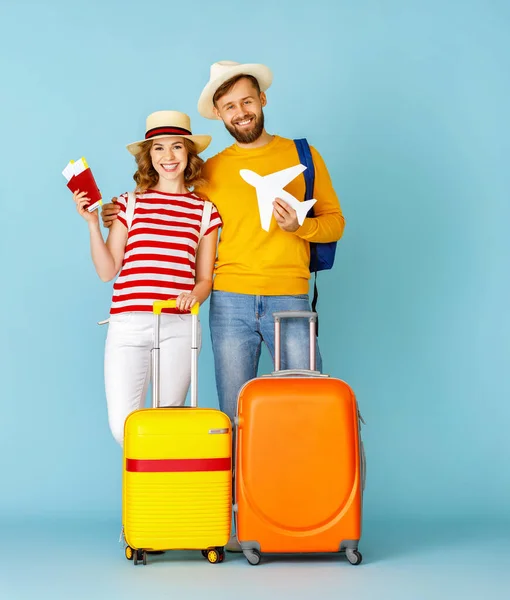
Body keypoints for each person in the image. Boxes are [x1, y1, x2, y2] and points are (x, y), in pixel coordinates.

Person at [101, 63, 345, 549]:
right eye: (229, 106)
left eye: (247, 102)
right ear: (218, 114)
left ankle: (305, 513)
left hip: (290, 295)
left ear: (263, 101)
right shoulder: (209, 171)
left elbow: (335, 223)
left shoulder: (304, 156)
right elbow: (170, 211)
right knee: (235, 418)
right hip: (228, 301)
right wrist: (115, 213)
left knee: (305, 411)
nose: (240, 112)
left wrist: (303, 228)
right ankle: (237, 521)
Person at [73, 110, 221, 446]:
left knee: (166, 423)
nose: (168, 157)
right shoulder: (129, 204)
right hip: (128, 323)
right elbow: (107, 271)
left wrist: (194, 296)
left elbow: (204, 279)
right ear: (148, 156)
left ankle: (160, 498)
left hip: (178, 326)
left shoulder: (205, 211)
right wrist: (93, 224)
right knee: (122, 426)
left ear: (188, 154)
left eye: (177, 147)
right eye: (158, 148)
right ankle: (147, 492)